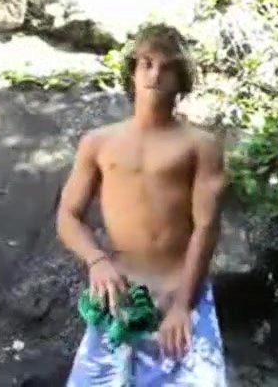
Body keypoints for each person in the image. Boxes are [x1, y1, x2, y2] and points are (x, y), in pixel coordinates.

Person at [56, 23, 228, 386]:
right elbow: (68, 216)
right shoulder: (98, 143)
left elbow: (207, 227)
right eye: (147, 63)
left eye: (167, 67)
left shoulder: (199, 146)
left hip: (181, 294)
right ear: (132, 71)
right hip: (120, 296)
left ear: (181, 79)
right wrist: (97, 260)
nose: (155, 74)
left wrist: (183, 304)